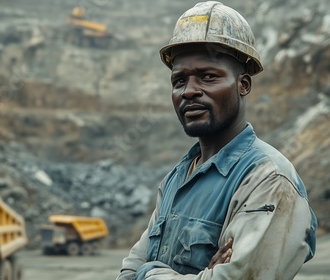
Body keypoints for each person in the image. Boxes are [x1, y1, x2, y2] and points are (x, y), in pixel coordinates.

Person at [116, 2, 317, 279]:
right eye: (179, 81)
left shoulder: (268, 180)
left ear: (243, 84)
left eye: (208, 77)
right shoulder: (177, 179)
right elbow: (127, 271)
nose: (189, 92)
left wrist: (149, 272)